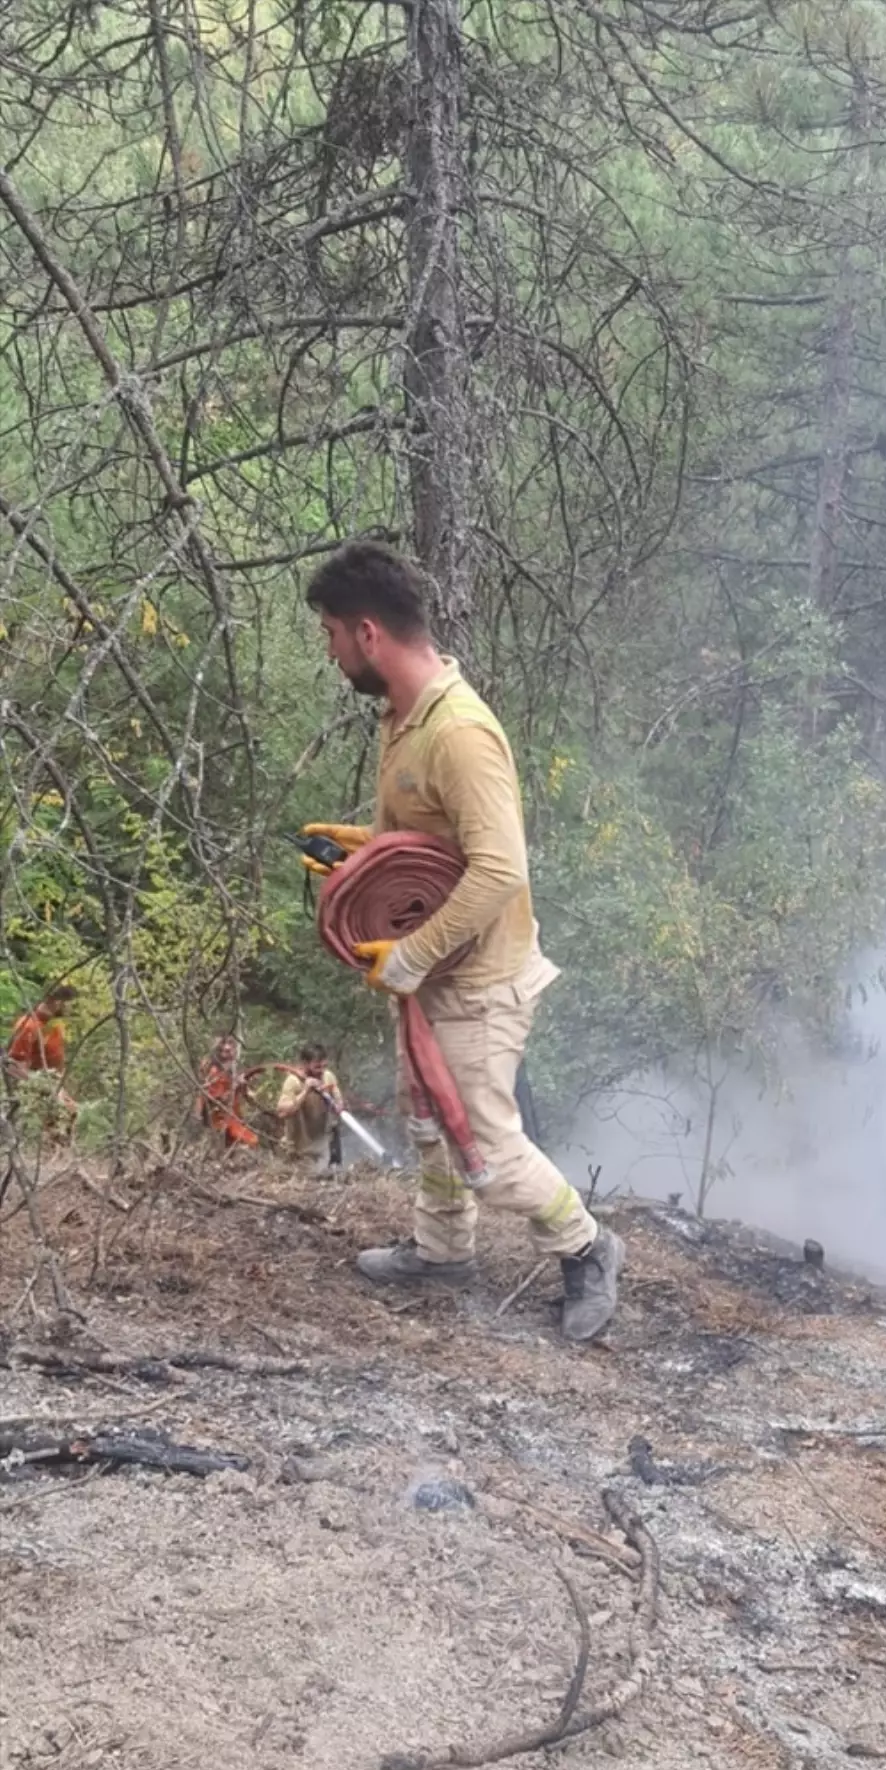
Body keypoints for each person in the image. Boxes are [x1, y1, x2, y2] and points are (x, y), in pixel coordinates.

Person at [301, 540, 624, 1341]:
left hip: (479, 979)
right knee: (421, 1115)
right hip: (434, 975)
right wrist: (353, 853)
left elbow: (499, 870)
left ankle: (587, 1246)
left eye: (332, 635)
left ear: (368, 633)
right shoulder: (402, 718)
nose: (331, 651)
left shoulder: (459, 733)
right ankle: (442, 1250)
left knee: (482, 1136)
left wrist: (411, 953)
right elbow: (416, 841)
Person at [3, 985, 78, 1138]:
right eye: (68, 1003)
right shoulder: (28, 1025)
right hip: (33, 1083)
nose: (71, 1008)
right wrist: (39, 1086)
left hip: (52, 1081)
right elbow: (13, 1064)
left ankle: (59, 1155)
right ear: (56, 1001)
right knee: (62, 1113)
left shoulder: (54, 1024)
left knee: (71, 1112)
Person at [277, 1043, 344, 1173]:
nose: (321, 1071)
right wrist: (306, 1091)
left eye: (324, 1066)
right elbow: (282, 1112)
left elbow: (338, 1098)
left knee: (331, 1174)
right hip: (299, 1149)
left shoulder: (328, 1076)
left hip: (321, 1146)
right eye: (317, 1067)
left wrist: (338, 1104)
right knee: (309, 1177)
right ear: (305, 1064)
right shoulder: (293, 1081)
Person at [197, 1034, 258, 1149]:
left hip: (233, 1117)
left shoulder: (231, 1069)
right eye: (224, 1044)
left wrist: (248, 1090)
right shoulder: (214, 1071)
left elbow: (242, 1093)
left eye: (231, 1044)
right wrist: (236, 1086)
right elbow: (218, 1102)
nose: (228, 1048)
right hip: (219, 1121)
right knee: (251, 1141)